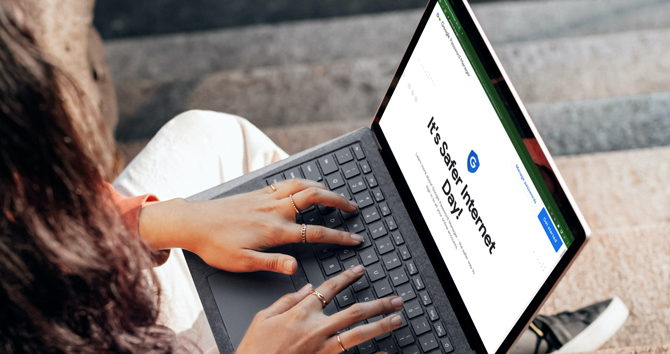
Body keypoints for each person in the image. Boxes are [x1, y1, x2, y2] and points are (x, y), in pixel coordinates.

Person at [0, 1, 627, 353]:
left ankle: (406, 291)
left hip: (73, 307)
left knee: (215, 138)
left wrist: (164, 220)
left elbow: (46, 221)